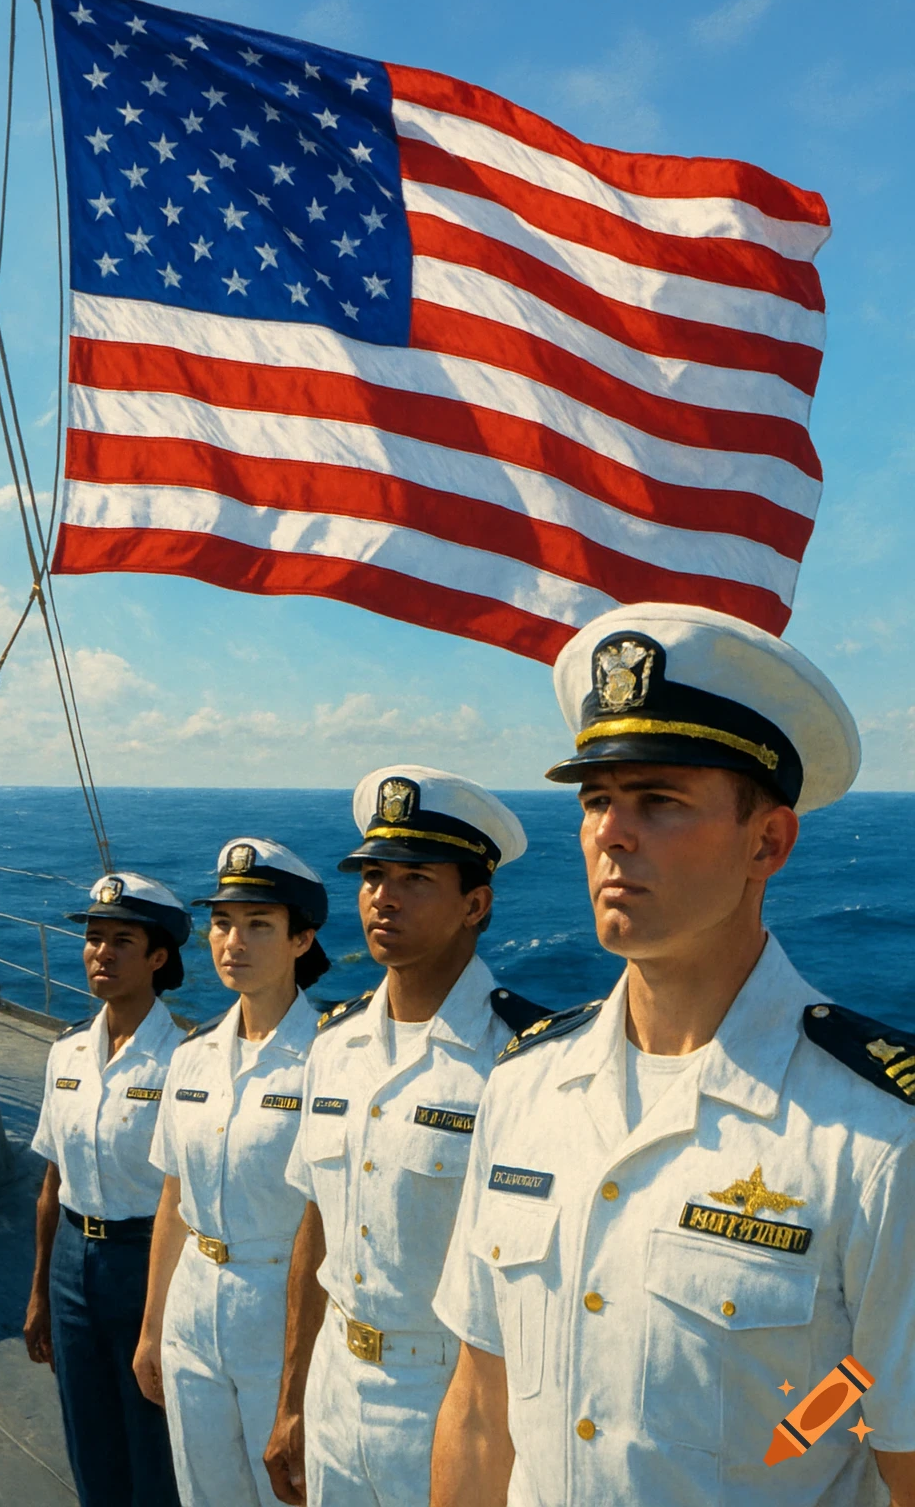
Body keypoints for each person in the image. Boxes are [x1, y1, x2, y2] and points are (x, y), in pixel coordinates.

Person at [430, 603, 915, 1507]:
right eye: (598, 800)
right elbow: (479, 1409)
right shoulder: (524, 1087)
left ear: (766, 841)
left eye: (659, 801)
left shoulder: (878, 1134)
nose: (613, 832)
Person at [264, 765, 547, 1507]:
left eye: (416, 878)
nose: (383, 895)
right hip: (335, 1384)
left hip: (455, 1395)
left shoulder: (526, 1062)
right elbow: (317, 1226)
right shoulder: (333, 1045)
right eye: (373, 876)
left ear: (474, 905)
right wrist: (292, 1394)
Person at [133, 838, 331, 1507]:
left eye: (258, 925)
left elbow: (325, 1218)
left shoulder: (329, 1060)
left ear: (301, 939)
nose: (232, 942)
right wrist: (153, 1325)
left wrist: (300, 1382)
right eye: (222, 923)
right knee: (204, 1494)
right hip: (193, 1307)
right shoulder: (191, 1057)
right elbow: (173, 1199)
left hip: (280, 1312)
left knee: (287, 1494)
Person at [26, 871, 190, 1507]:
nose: (102, 953)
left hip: (147, 1261)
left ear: (158, 958)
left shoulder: (183, 1060)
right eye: (95, 939)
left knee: (153, 1438)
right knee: (86, 1434)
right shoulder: (65, 1052)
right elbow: (51, 1182)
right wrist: (41, 1290)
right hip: (72, 1260)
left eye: (123, 941)